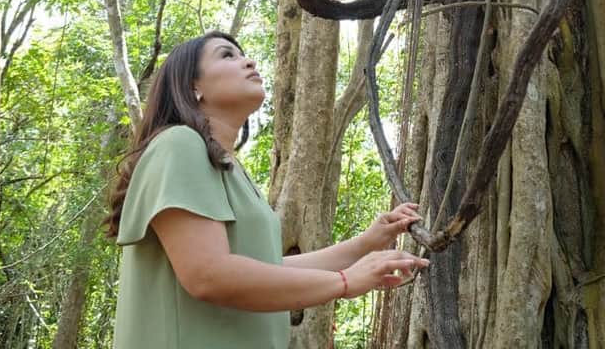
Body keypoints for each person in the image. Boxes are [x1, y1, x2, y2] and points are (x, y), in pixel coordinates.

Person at [106, 30, 429, 349]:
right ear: (193, 87)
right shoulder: (179, 143)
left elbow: (267, 268)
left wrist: (364, 244)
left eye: (243, 53)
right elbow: (208, 274)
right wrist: (344, 283)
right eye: (226, 55)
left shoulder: (229, 168)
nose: (248, 61)